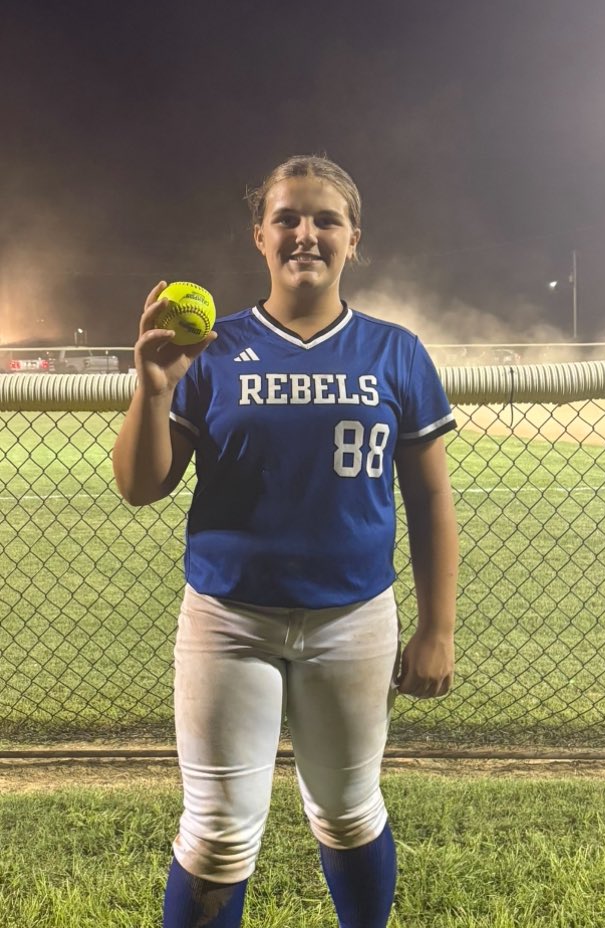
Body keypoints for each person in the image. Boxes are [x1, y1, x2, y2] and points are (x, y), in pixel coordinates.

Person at [112, 154, 458, 928]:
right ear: (259, 237)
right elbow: (140, 486)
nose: (306, 233)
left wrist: (436, 629)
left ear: (353, 239)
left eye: (325, 219)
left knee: (346, 809)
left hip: (353, 620)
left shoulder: (394, 351)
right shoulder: (212, 349)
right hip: (228, 619)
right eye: (288, 219)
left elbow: (430, 497)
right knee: (217, 834)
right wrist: (154, 386)